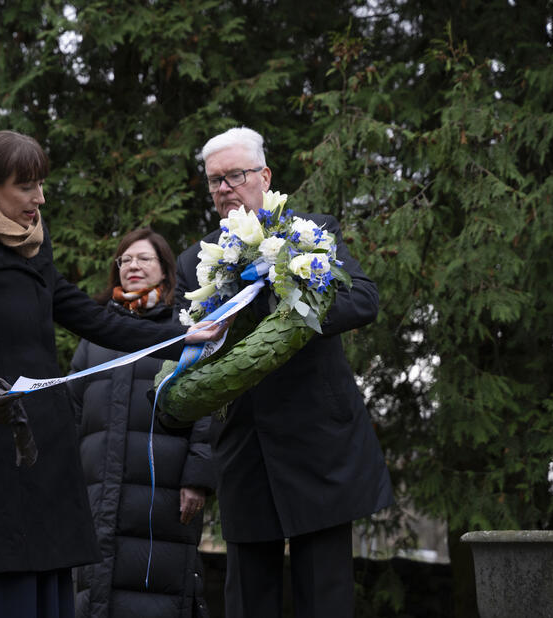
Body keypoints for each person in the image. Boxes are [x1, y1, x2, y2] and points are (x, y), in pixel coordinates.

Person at [0, 130, 224, 618]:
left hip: (48, 440)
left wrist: (177, 336)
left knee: (46, 567)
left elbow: (94, 317)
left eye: (42, 184)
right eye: (26, 186)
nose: (39, 198)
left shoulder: (36, 252)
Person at [173, 127, 394, 618]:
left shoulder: (310, 233)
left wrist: (293, 299)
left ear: (264, 176)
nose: (225, 187)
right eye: (215, 180)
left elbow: (364, 299)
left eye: (236, 175)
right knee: (249, 598)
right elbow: (181, 352)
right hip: (246, 447)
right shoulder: (194, 264)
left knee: (325, 596)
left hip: (319, 440)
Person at [69, 228, 215, 618]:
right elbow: (74, 413)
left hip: (163, 494)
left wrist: (197, 476)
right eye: (125, 260)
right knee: (93, 592)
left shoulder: (187, 331)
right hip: (97, 492)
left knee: (158, 595)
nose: (132, 266)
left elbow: (206, 404)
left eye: (143, 259)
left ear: (166, 271)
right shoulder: (94, 336)